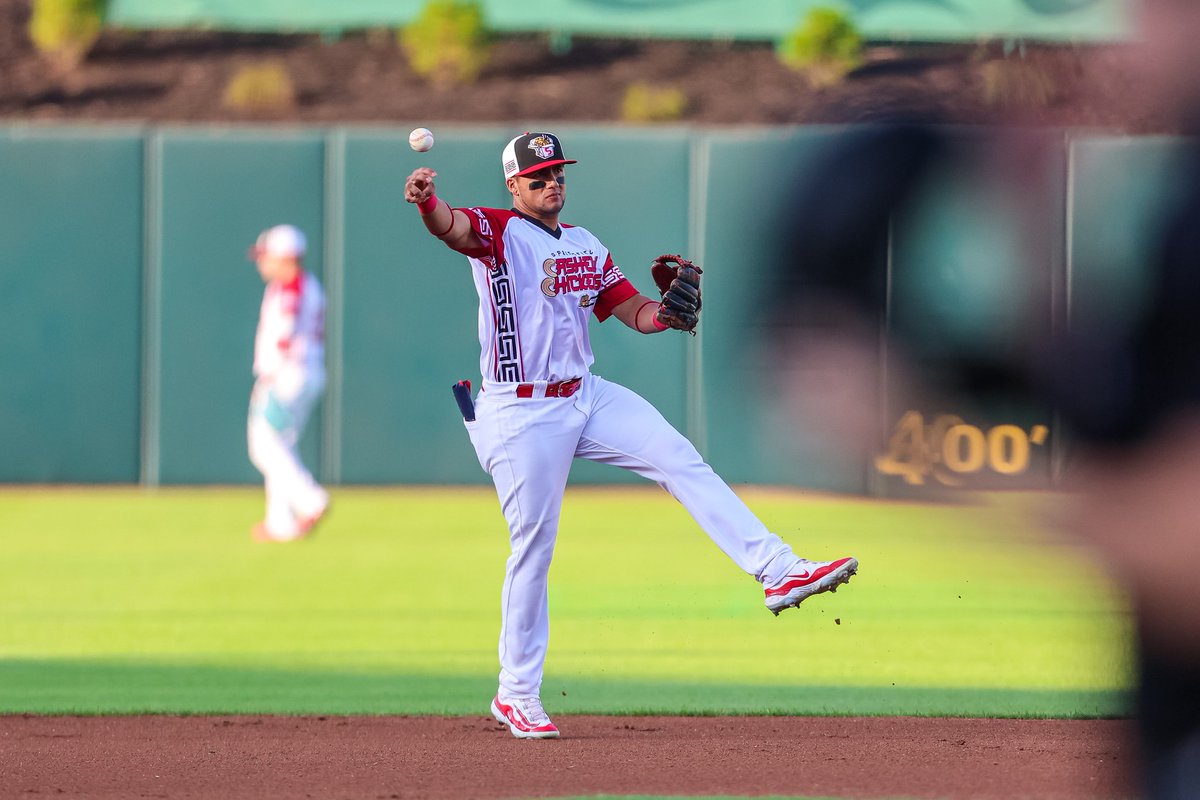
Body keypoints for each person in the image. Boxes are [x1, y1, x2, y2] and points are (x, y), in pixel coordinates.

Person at [402, 131, 859, 739]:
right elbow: (451, 227)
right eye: (538, 177)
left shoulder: (586, 244)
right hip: (520, 412)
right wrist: (429, 203)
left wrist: (665, 313)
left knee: (679, 457)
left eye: (559, 172)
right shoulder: (497, 232)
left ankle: (778, 570)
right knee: (534, 547)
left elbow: (634, 311)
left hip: (584, 394)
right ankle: (515, 693)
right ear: (514, 185)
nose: (552, 183)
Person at [246, 224, 330, 543]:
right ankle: (279, 523)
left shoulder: (290, 289)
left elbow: (284, 336)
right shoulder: (308, 286)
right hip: (306, 374)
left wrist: (270, 376)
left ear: (284, 257)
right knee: (280, 446)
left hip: (286, 377)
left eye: (266, 256)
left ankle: (310, 499)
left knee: (264, 447)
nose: (261, 262)